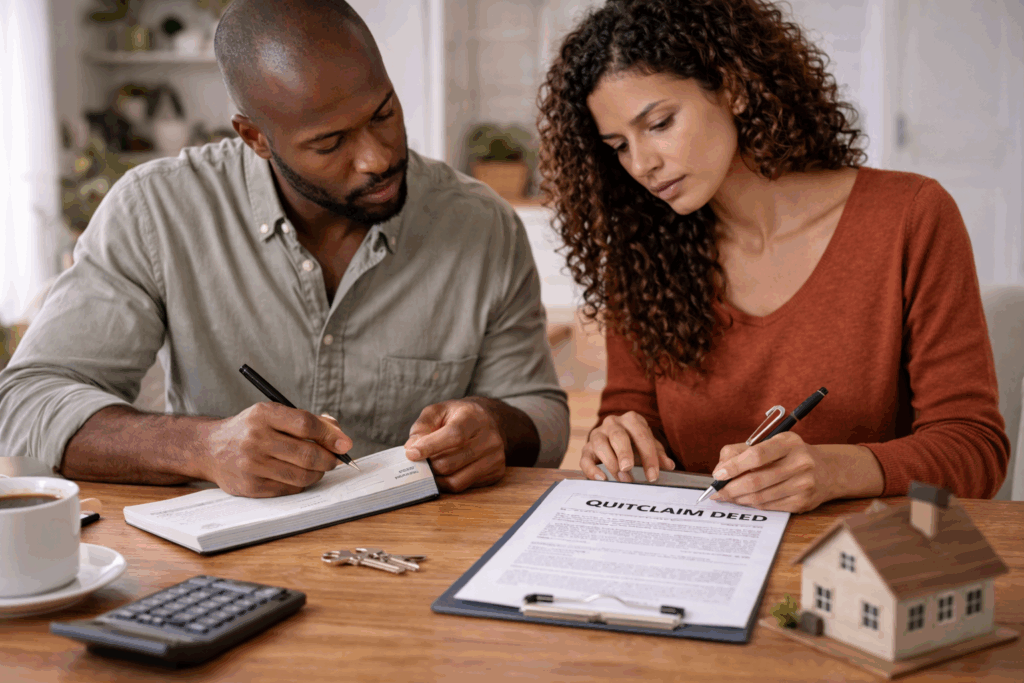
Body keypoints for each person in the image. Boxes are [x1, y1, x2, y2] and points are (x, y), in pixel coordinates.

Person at [0, 0, 568, 497]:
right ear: (254, 138)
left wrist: (493, 426)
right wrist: (201, 447)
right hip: (220, 562)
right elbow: (25, 405)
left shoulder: (482, 224)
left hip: (418, 555)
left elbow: (541, 411)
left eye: (384, 114)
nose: (375, 157)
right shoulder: (157, 211)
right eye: (329, 142)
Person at [536, 0, 1008, 512]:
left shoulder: (909, 216)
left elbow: (975, 450)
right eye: (618, 146)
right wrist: (618, 439)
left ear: (733, 88)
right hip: (695, 559)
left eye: (660, 123)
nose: (642, 163)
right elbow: (634, 415)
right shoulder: (642, 248)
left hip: (858, 562)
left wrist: (839, 470)